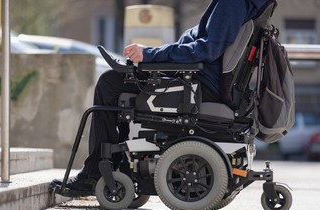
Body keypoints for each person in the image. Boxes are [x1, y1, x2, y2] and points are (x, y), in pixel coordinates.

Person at [51, 0, 270, 197]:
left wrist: (150, 55)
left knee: (110, 83)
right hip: (205, 80)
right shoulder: (252, 4)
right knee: (121, 79)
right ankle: (116, 168)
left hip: (198, 83)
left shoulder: (232, 3)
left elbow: (207, 49)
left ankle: (95, 174)